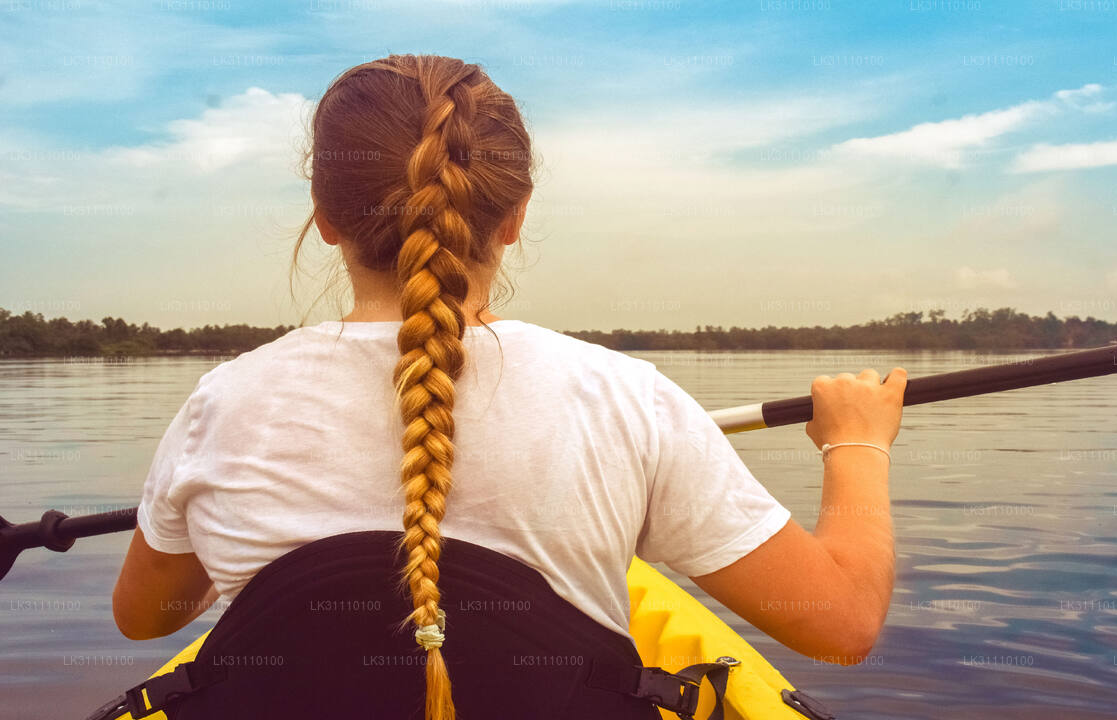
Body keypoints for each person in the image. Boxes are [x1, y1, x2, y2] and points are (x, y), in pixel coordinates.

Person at [111, 54, 906, 719]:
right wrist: (857, 443)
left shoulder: (220, 405)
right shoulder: (626, 398)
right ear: (515, 216)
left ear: (324, 214)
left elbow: (145, 618)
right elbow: (840, 626)